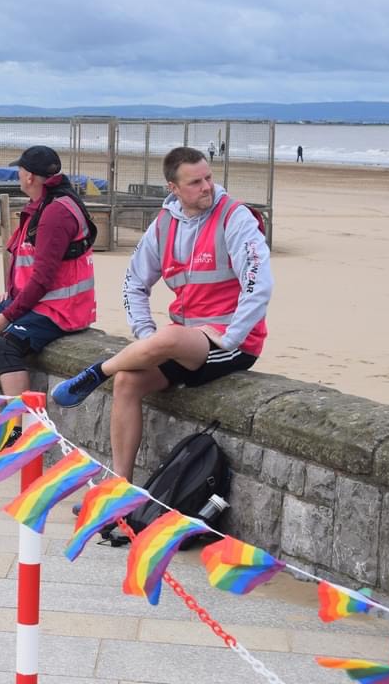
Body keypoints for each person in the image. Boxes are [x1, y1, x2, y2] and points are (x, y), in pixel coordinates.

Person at [51, 146, 272, 481]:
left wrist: (232, 337)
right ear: (173, 187)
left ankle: (96, 373)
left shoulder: (235, 217)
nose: (207, 187)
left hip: (231, 342)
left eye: (209, 178)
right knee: (127, 381)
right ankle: (121, 486)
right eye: (195, 182)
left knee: (167, 337)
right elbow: (134, 283)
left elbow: (259, 284)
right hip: (181, 341)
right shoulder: (164, 224)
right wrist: (145, 336)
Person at [0, 145, 98, 446]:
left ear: (29, 176)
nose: (17, 175)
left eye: (20, 171)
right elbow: (28, 262)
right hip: (36, 299)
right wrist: (13, 293)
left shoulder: (56, 212)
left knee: (6, 346)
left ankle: (18, 430)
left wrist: (8, 315)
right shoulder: (44, 203)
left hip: (60, 308)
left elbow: (43, 277)